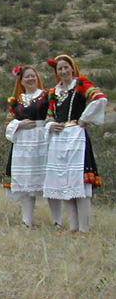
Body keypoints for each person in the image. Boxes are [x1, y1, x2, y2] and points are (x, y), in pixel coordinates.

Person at [44, 54, 107, 233]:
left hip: (76, 137)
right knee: (64, 183)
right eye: (60, 69)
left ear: (72, 68)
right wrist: (50, 124)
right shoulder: (53, 92)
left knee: (79, 182)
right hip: (59, 138)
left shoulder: (80, 85)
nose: (63, 71)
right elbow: (49, 115)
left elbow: (100, 98)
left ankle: (84, 229)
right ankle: (73, 227)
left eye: (66, 67)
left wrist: (85, 119)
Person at [3, 65, 62, 228]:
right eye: (27, 77)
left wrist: (48, 126)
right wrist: (19, 124)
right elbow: (8, 123)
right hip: (23, 144)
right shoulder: (16, 101)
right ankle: (26, 221)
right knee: (27, 184)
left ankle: (58, 221)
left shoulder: (46, 96)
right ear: (21, 81)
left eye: (33, 76)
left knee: (49, 181)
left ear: (38, 78)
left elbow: (53, 115)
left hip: (42, 140)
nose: (30, 79)